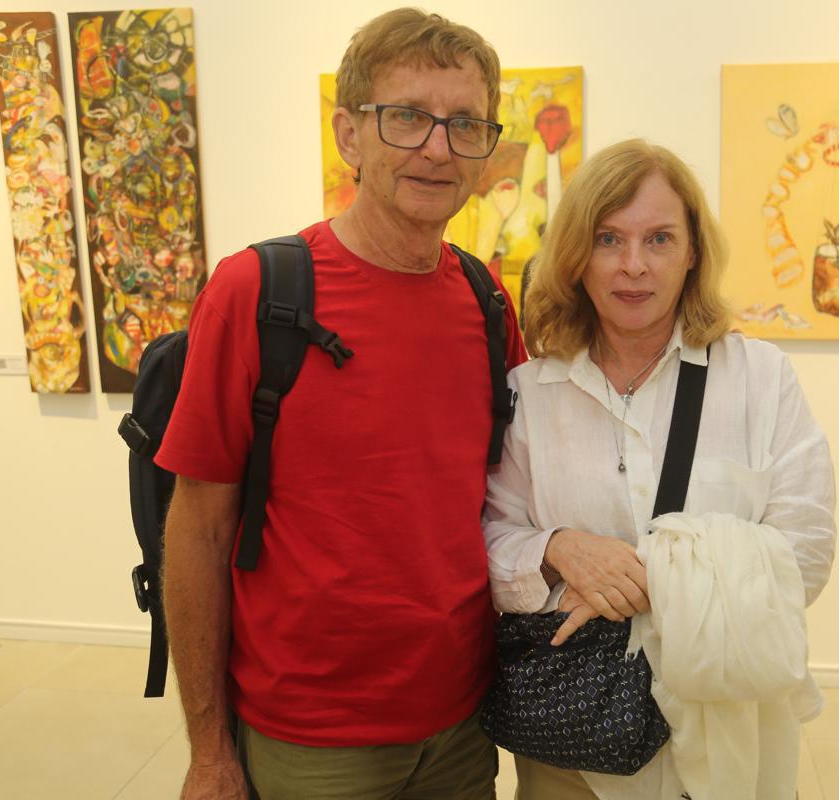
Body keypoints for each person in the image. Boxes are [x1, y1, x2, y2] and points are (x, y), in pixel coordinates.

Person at [155, 9, 526, 799]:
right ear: (349, 135)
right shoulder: (255, 293)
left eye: (465, 124)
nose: (438, 148)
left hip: (463, 723)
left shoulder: (488, 302)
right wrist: (209, 749)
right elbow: (199, 528)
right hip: (309, 735)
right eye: (408, 117)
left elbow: (508, 499)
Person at [483, 139, 836, 799]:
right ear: (576, 254)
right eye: (608, 239)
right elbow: (489, 541)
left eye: (660, 239)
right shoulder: (531, 394)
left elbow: (806, 552)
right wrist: (558, 550)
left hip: (732, 743)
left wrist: (644, 581)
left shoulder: (759, 379)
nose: (634, 266)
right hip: (577, 751)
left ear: (693, 250)